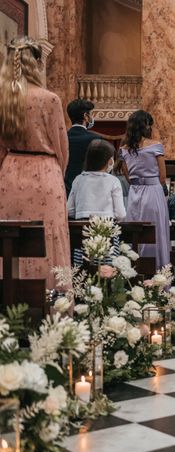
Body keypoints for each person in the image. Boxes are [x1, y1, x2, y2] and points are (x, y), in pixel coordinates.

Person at [0, 37, 70, 289]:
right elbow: (62, 149)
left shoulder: (4, 100)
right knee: (49, 239)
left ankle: (8, 304)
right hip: (45, 174)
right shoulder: (49, 99)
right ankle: (52, 304)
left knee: (10, 241)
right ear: (38, 63)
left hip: (9, 175)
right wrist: (56, 175)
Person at [120, 110, 170, 268]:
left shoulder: (124, 149)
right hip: (153, 191)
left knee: (135, 233)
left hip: (135, 193)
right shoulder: (155, 146)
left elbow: (127, 176)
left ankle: (135, 273)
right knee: (156, 232)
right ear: (146, 125)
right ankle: (157, 272)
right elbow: (163, 176)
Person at [67, 139, 126, 221]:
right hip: (107, 228)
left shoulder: (78, 179)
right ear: (110, 161)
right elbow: (120, 214)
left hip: (82, 228)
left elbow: (69, 210)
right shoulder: (113, 181)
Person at [64, 98, 102, 196]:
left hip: (66, 189)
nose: (92, 117)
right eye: (91, 114)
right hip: (88, 192)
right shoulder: (95, 139)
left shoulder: (63, 138)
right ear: (85, 116)